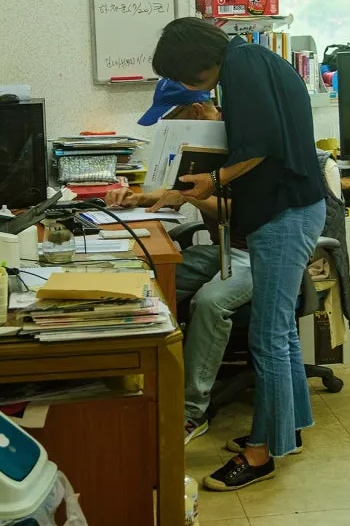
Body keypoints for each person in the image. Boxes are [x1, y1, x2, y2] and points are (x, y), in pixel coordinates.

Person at [151, 17, 326, 491]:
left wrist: (213, 180)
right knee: (280, 333)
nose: (190, 86)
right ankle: (287, 429)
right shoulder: (251, 60)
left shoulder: (243, 64)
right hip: (288, 209)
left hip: (285, 214)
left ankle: (261, 454)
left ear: (197, 66)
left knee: (268, 336)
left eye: (185, 77)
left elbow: (261, 144)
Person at [107, 78, 254, 445]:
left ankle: (190, 413)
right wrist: (138, 199)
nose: (168, 127)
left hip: (258, 253)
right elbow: (177, 193)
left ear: (196, 110)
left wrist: (189, 197)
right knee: (150, 279)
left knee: (209, 303)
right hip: (221, 248)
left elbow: (242, 211)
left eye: (172, 118)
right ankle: (142, 388)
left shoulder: (242, 141)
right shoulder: (198, 144)